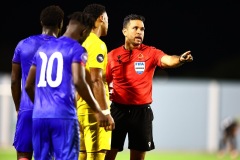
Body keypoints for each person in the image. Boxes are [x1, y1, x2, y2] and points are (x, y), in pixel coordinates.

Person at [105, 14, 193, 160]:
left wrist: (180, 59)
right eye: (135, 28)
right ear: (124, 31)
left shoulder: (151, 53)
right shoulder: (112, 56)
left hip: (141, 113)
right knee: (108, 156)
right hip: (117, 111)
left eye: (142, 29)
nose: (140, 32)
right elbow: (104, 82)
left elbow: (168, 60)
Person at [25, 11, 110, 160]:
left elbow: (28, 85)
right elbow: (79, 81)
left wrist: (40, 106)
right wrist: (98, 111)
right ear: (84, 31)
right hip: (64, 117)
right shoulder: (77, 49)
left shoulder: (44, 48)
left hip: (39, 117)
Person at [11, 5, 64, 160]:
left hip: (27, 110)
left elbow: (15, 81)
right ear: (60, 24)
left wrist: (18, 108)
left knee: (23, 156)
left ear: (41, 22)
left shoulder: (23, 45)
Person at [76, 3, 115, 160]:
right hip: (94, 111)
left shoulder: (81, 43)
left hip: (80, 110)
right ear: (101, 18)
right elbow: (96, 79)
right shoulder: (97, 44)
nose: (108, 23)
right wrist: (104, 112)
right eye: (107, 19)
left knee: (81, 156)